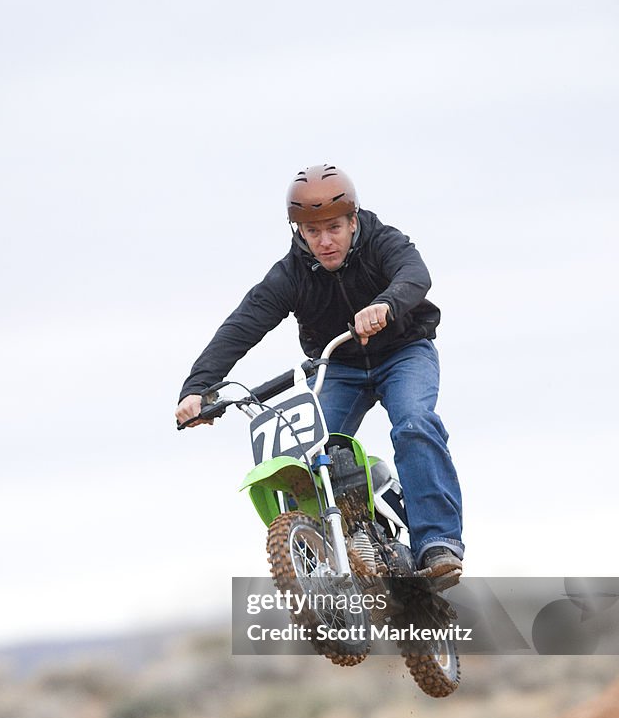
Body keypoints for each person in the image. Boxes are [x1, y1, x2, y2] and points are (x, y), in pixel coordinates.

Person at [176, 164, 464, 588]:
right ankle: (338, 557)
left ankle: (437, 544)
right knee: (303, 455)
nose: (324, 241)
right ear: (298, 233)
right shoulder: (290, 274)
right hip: (340, 367)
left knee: (414, 424)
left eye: (333, 227)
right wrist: (197, 387)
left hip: (404, 353)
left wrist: (386, 304)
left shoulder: (383, 241)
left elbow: (415, 275)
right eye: (313, 232)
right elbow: (242, 325)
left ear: (353, 221)